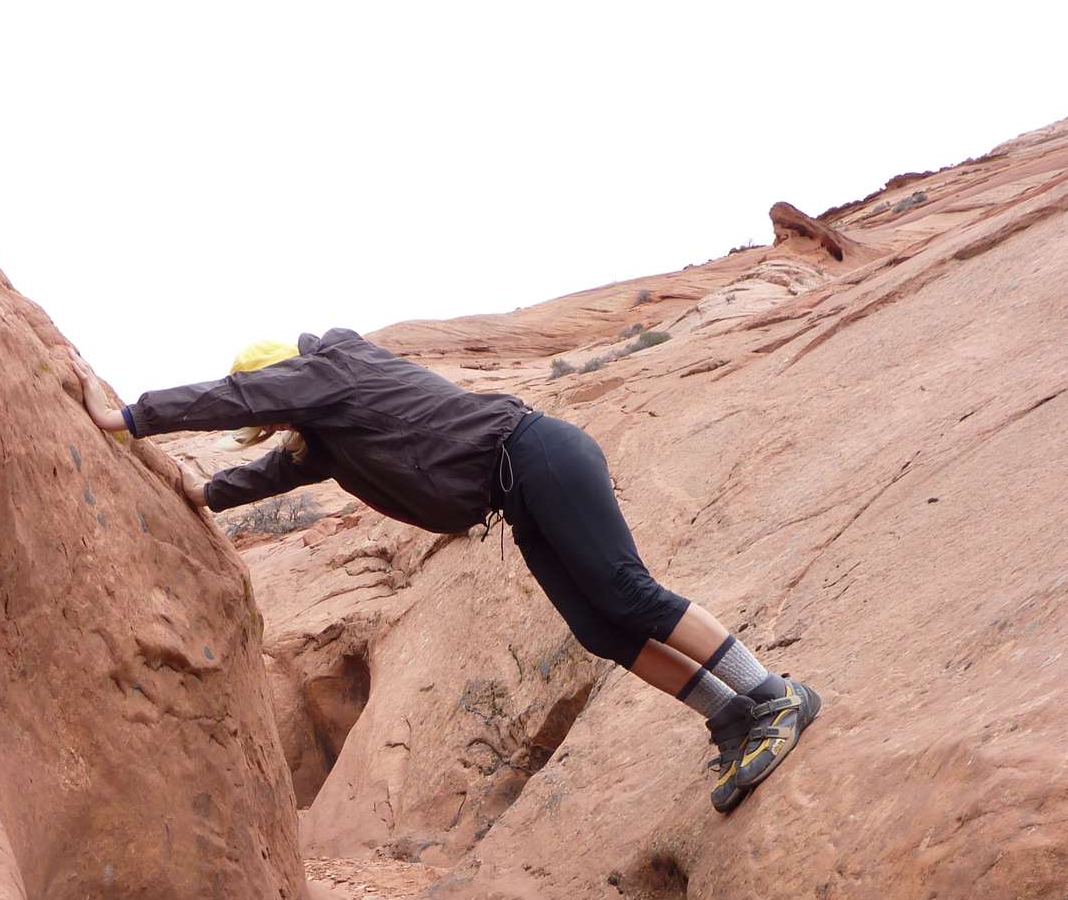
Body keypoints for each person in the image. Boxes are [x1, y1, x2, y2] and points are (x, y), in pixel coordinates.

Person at [71, 330, 820, 812]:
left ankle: (773, 695)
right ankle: (729, 716)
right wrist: (201, 493)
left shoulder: (332, 370)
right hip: (515, 495)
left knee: (629, 595)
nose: (269, 425)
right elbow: (271, 473)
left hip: (538, 453)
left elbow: (235, 398)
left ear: (283, 382)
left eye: (270, 411)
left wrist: (132, 418)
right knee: (602, 631)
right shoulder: (328, 433)